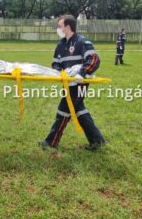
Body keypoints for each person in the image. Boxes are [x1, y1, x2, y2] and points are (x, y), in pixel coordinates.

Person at [39, 14, 106, 151]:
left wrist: (82, 73)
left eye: (60, 26)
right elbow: (56, 63)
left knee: (64, 110)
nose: (58, 29)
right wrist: (58, 72)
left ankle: (51, 141)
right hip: (67, 83)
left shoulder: (82, 42)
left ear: (68, 27)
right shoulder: (60, 45)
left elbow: (94, 59)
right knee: (79, 110)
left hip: (79, 84)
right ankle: (97, 140)